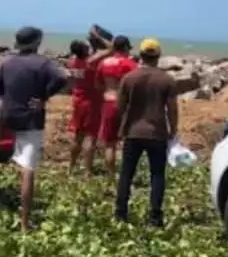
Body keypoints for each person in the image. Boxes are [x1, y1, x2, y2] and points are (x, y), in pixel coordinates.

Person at [0, 26, 67, 232]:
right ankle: (25, 223)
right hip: (30, 119)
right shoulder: (43, 63)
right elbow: (63, 77)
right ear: (37, 42)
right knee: (29, 170)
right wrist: (44, 97)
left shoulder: (7, 64)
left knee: (8, 148)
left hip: (8, 117)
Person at [114, 37, 178, 226]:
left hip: (132, 132)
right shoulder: (166, 79)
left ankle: (120, 214)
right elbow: (172, 109)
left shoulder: (128, 78)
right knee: (157, 175)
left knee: (126, 174)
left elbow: (120, 107)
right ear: (158, 56)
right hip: (157, 133)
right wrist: (173, 130)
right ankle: (155, 217)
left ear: (140, 55)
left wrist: (120, 129)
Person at [65, 38, 112, 174]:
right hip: (92, 101)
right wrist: (97, 35)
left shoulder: (71, 62)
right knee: (91, 136)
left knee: (78, 135)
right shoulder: (90, 62)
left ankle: (71, 167)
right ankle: (87, 170)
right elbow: (110, 48)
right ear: (85, 50)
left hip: (78, 100)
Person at [96, 35, 139, 172]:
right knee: (129, 142)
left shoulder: (103, 63)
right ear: (126, 48)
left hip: (109, 101)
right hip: (127, 105)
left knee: (110, 144)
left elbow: (98, 84)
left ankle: (110, 177)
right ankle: (127, 175)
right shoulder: (130, 64)